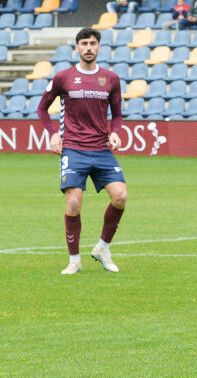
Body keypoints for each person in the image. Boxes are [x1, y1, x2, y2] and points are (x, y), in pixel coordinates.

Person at [37, 28, 127, 276]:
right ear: (77, 47)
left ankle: (102, 248)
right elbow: (42, 109)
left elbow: (117, 114)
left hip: (101, 148)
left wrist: (115, 131)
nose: (89, 47)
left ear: (98, 47)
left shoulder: (110, 78)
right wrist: (53, 133)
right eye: (84, 43)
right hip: (73, 149)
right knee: (74, 202)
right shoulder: (63, 77)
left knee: (120, 196)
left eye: (93, 43)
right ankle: (74, 259)